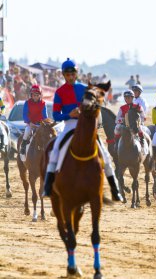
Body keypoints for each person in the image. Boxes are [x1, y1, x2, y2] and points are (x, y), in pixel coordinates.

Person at [43, 58, 122, 201]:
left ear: (76, 73)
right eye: (67, 75)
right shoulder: (59, 92)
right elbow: (55, 115)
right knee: (55, 150)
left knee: (104, 153)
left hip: (85, 126)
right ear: (63, 75)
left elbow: (95, 106)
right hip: (68, 125)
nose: (70, 77)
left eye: (72, 74)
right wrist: (69, 114)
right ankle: (48, 186)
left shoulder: (85, 88)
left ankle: (114, 188)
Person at [20, 85, 48, 157]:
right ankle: (23, 147)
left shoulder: (43, 103)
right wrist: (29, 122)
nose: (35, 97)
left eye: (37, 95)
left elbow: (45, 116)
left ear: (40, 95)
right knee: (27, 131)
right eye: (33, 95)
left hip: (40, 124)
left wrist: (45, 122)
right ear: (31, 95)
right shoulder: (27, 103)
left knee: (47, 134)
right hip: (30, 124)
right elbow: (24, 114)